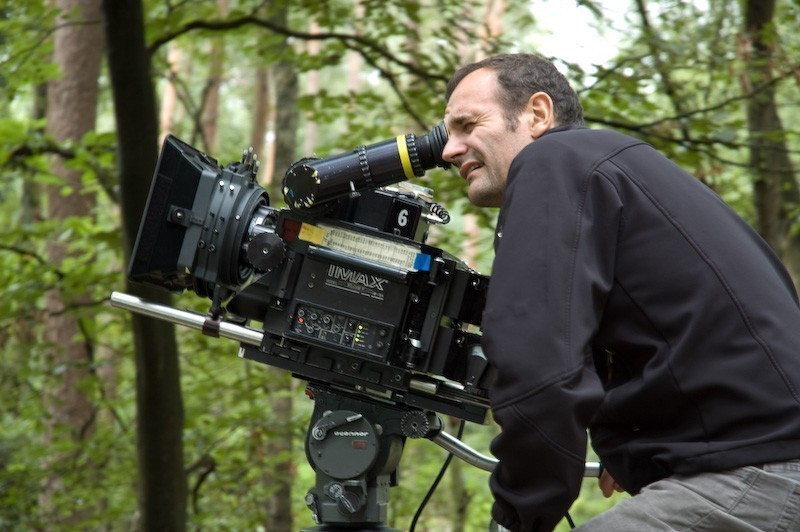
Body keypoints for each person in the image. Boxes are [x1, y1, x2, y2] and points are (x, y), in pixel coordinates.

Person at [441, 52, 800, 531]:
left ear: (538, 114)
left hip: (753, 474)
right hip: (762, 462)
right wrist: (645, 442)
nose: (449, 149)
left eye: (467, 124)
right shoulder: (616, 167)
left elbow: (538, 362)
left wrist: (518, 517)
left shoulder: (552, 161)